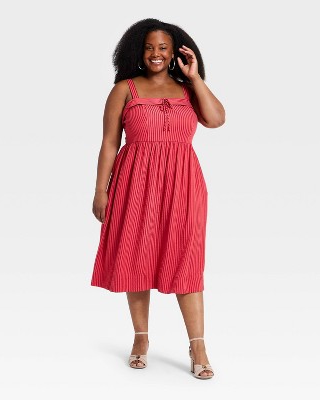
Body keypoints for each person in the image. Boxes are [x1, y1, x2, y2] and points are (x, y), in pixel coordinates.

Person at [90, 18, 225, 379]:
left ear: (174, 52)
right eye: (149, 47)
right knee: (137, 255)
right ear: (138, 51)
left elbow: (216, 120)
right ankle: (141, 338)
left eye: (163, 47)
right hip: (134, 183)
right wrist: (101, 190)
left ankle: (198, 346)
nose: (156, 53)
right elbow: (109, 143)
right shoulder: (125, 89)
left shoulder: (188, 90)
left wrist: (195, 77)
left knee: (187, 261)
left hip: (183, 185)